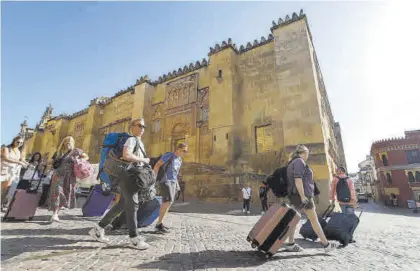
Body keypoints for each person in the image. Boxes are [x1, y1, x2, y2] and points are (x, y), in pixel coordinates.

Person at [89, 118, 150, 250]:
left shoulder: (139, 142)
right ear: (132, 127)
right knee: (133, 205)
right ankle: (134, 238)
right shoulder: (131, 139)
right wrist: (144, 160)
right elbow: (126, 155)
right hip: (128, 176)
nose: (143, 128)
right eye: (140, 125)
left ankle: (98, 228)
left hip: (132, 176)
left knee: (122, 204)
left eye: (144, 126)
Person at [285, 145, 337, 253]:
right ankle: (326, 244)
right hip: (303, 196)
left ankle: (290, 243)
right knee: (314, 219)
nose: (308, 155)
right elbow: (298, 180)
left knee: (294, 219)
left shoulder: (292, 162)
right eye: (307, 153)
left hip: (295, 195)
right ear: (303, 153)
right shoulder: (299, 161)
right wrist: (303, 196)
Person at [49, 136, 88, 222]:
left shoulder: (76, 151)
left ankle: (57, 212)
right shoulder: (59, 152)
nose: (68, 143)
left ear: (73, 142)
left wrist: (79, 160)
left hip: (70, 176)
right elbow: (52, 162)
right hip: (58, 174)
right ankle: (55, 214)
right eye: (67, 141)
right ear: (63, 143)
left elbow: (86, 157)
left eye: (70, 142)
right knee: (57, 192)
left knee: (66, 193)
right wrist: (43, 163)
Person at [153, 142, 188, 233]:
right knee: (167, 201)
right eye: (184, 150)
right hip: (165, 181)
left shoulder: (179, 160)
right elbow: (157, 165)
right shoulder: (169, 155)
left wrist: (177, 184)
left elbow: (175, 173)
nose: (185, 153)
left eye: (186, 151)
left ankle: (160, 223)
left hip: (173, 182)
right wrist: (154, 178)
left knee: (169, 202)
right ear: (178, 149)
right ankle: (158, 224)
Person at [1, 136, 29, 210]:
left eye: (21, 143)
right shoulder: (6, 148)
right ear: (14, 141)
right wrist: (19, 162)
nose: (19, 144)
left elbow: (21, 159)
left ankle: (0, 204)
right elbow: (5, 158)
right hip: (3, 170)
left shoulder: (18, 151)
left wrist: (27, 164)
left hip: (11, 172)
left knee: (6, 189)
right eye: (18, 142)